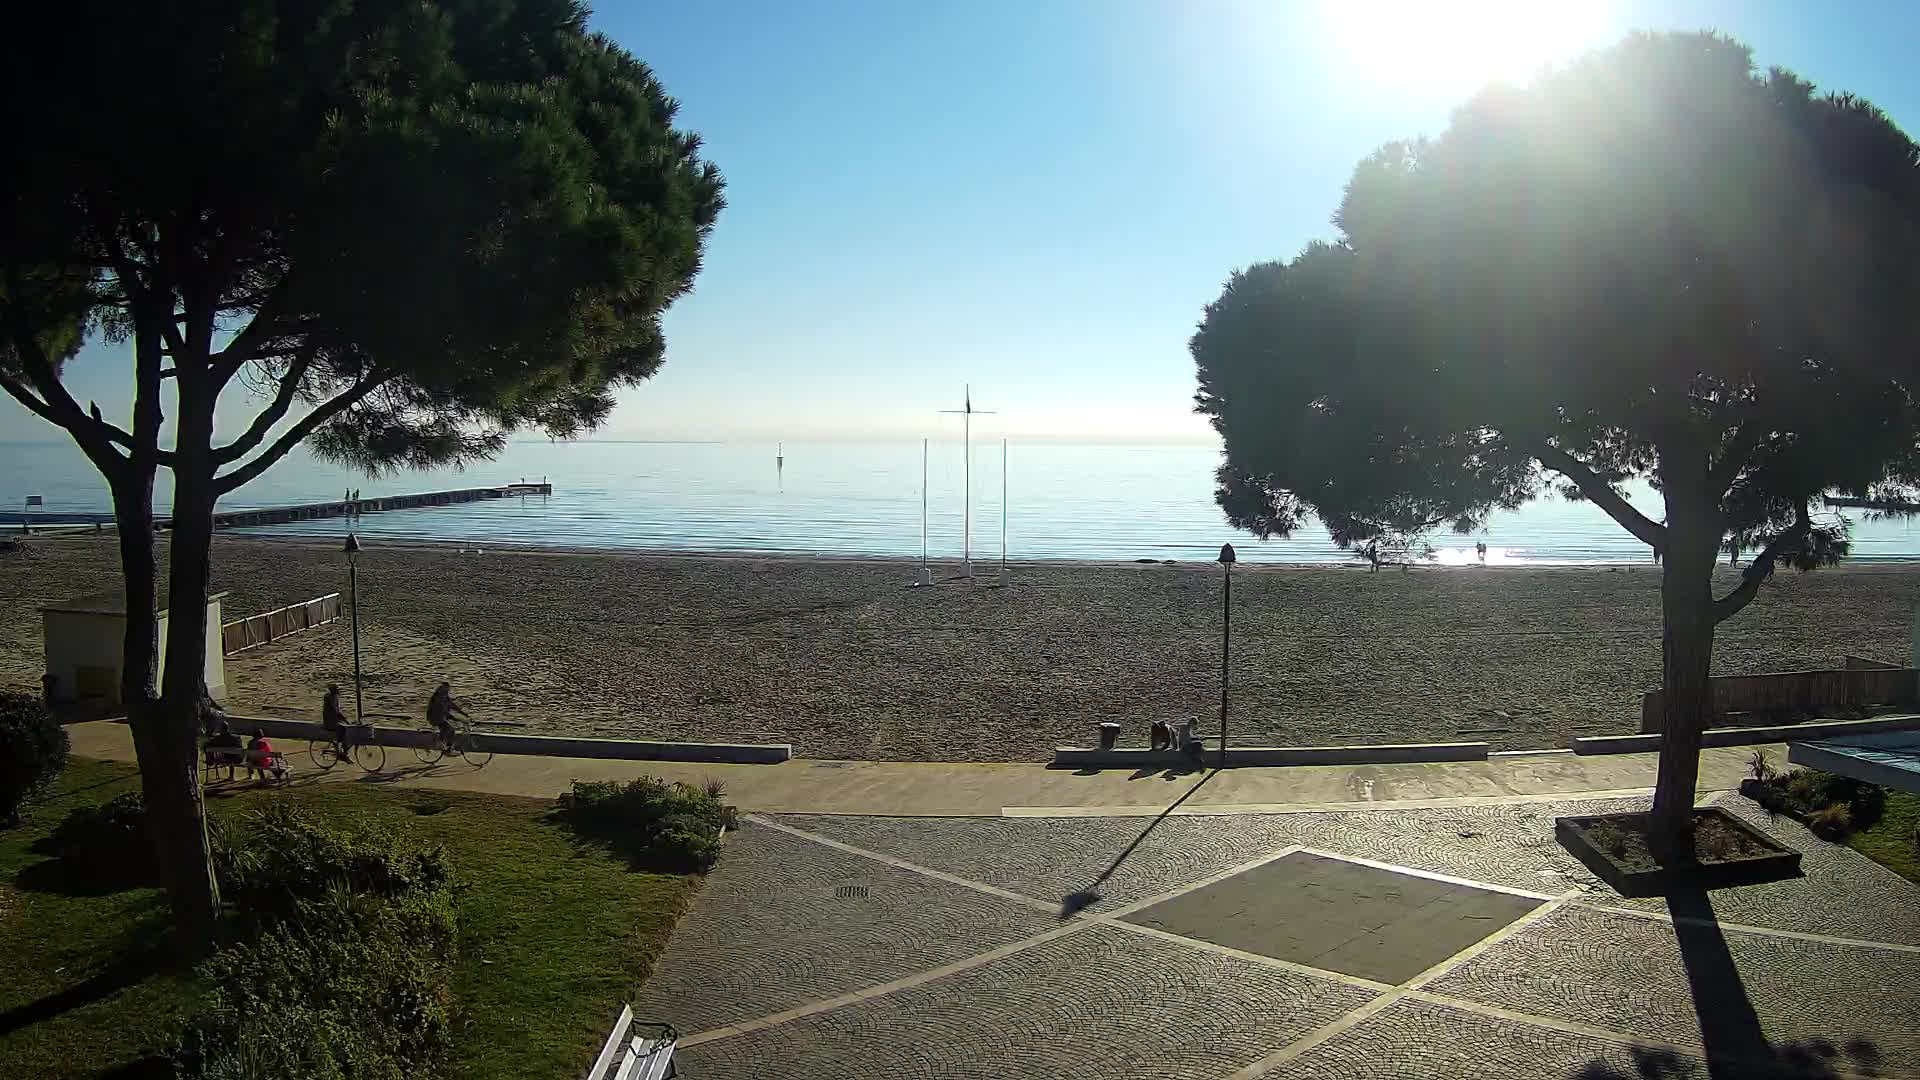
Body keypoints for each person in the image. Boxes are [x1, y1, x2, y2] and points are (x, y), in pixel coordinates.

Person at [427, 682, 468, 750]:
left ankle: (444, 743)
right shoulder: (438, 698)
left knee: (448, 728)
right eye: (447, 689)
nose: (448, 690)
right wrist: (454, 718)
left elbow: (452, 705)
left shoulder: (445, 697)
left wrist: (463, 713)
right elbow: (442, 710)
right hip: (434, 717)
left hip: (441, 717)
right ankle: (447, 747)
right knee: (450, 729)